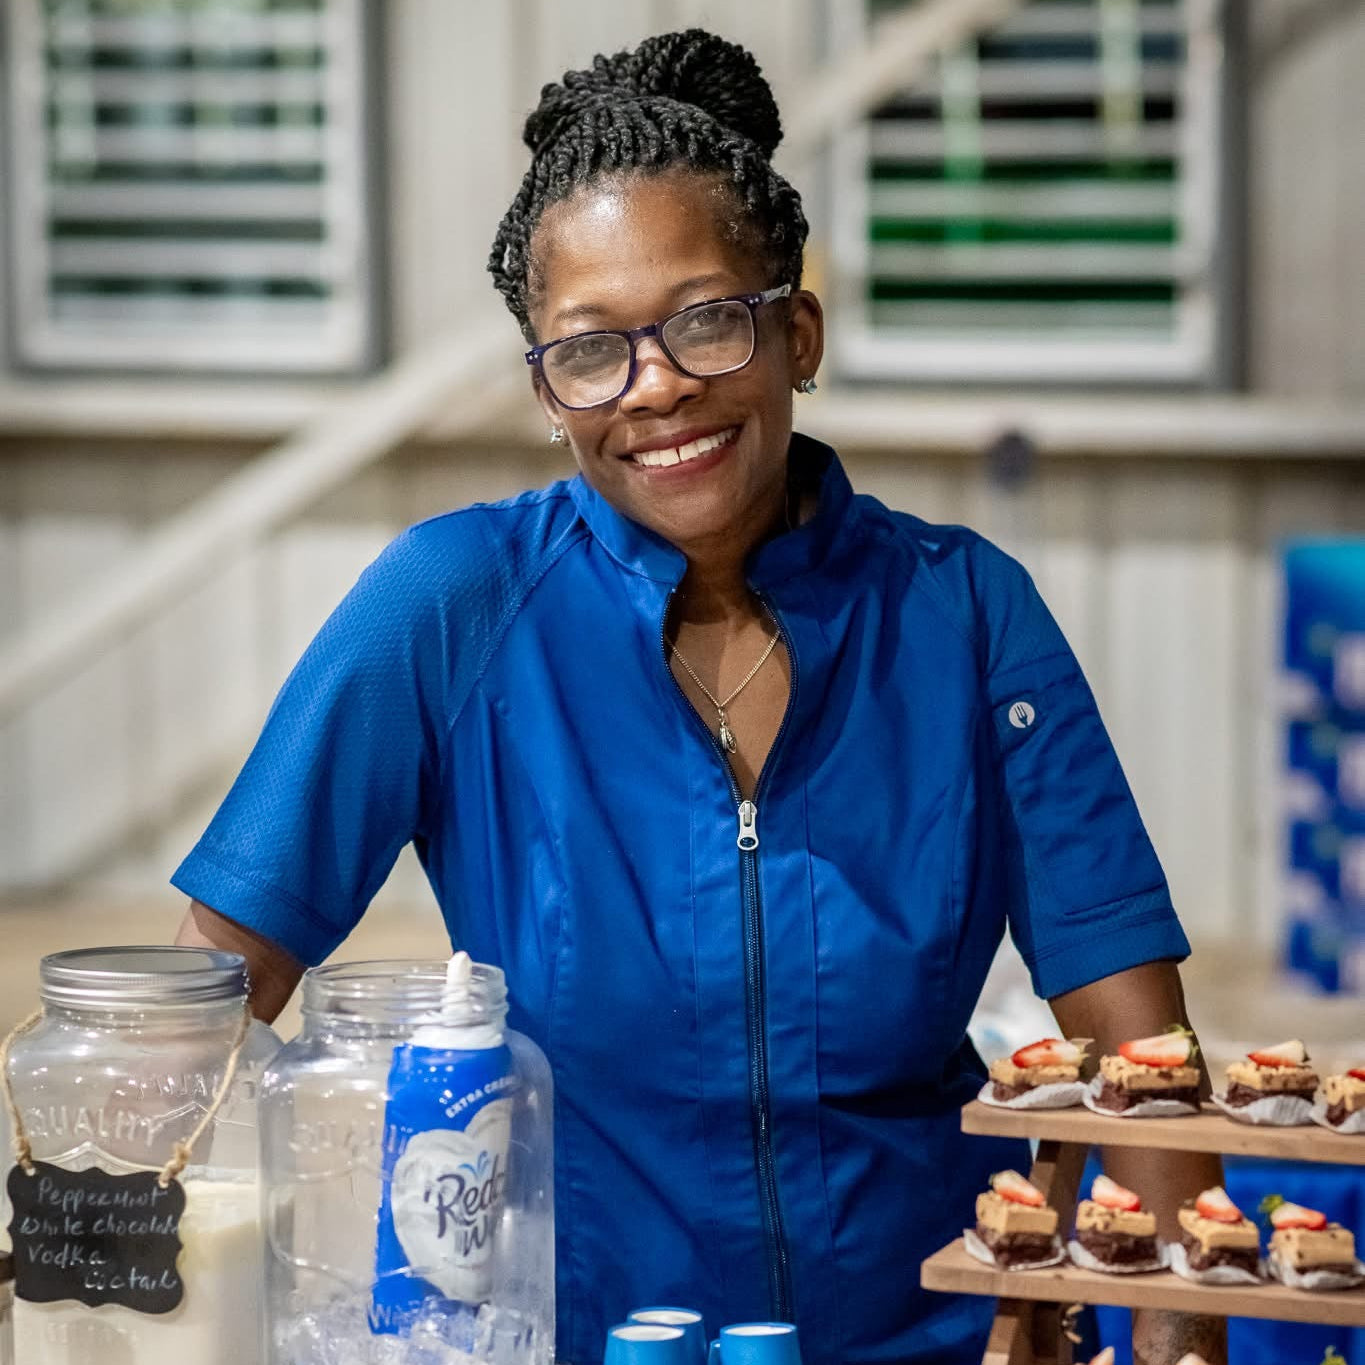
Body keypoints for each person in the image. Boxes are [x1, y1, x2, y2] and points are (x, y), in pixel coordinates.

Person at [174, 30, 1225, 1365]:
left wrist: (1189, 1313)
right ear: (547, 394)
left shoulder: (962, 613)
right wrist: (121, 1267)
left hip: (932, 1341)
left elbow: (1136, 1047)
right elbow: (210, 993)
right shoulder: (449, 603)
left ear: (797, 331)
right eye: (588, 350)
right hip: (589, 1339)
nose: (655, 383)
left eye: (706, 319)